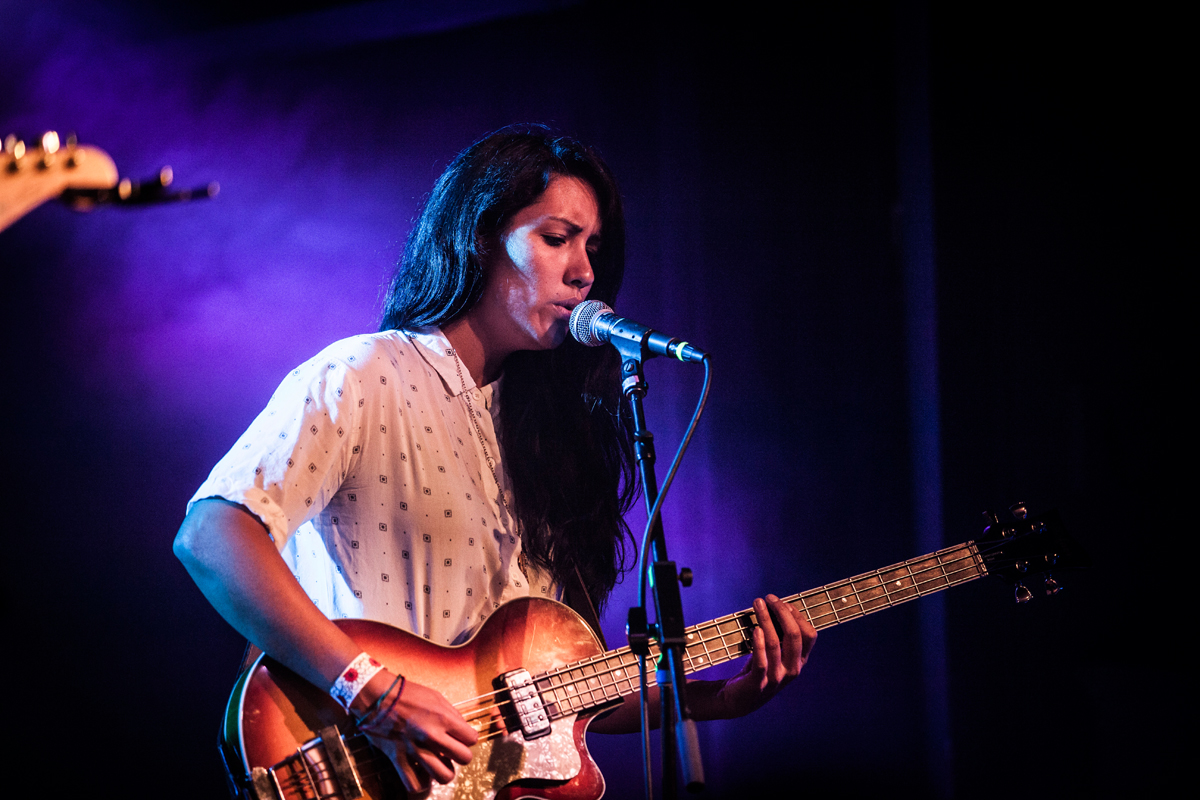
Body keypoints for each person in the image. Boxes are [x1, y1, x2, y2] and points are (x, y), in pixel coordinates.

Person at [173, 127, 816, 794]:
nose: (585, 272)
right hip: (359, 764)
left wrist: (718, 699)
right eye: (557, 238)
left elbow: (550, 696)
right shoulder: (363, 375)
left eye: (593, 248)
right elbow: (211, 534)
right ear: (481, 238)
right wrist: (371, 689)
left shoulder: (547, 440)